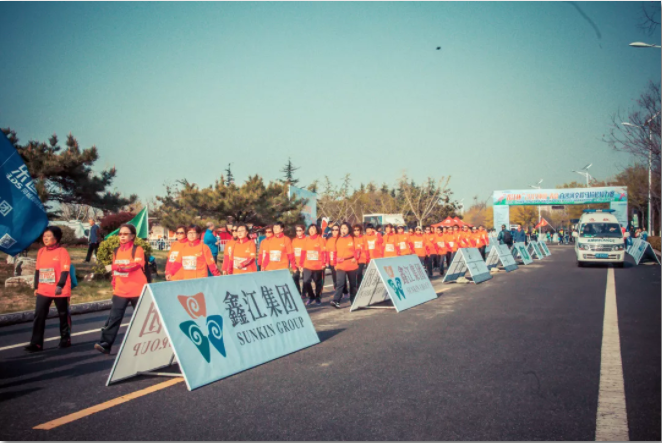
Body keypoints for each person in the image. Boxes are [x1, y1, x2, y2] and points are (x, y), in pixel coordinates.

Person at [94, 224, 149, 354]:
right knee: (114, 318)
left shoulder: (138, 249)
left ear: (132, 236)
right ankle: (105, 344)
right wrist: (114, 281)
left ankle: (149, 344)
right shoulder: (116, 251)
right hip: (120, 290)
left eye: (125, 234)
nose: (122, 236)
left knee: (143, 318)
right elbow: (115, 270)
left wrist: (118, 267)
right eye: (120, 234)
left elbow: (136, 265)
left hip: (137, 290)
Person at [25, 227, 72, 352]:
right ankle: (36, 343)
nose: (45, 238)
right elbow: (38, 271)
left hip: (59, 289)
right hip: (44, 289)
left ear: (56, 238)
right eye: (44, 236)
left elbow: (65, 271)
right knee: (39, 315)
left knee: (63, 315)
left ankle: (65, 339)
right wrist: (36, 287)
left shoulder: (62, 252)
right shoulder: (41, 252)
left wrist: (60, 285)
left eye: (49, 236)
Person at [330, 222, 360, 308]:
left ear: (348, 229)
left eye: (345, 228)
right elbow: (334, 252)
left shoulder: (353, 238)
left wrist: (356, 258)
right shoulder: (337, 239)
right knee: (340, 283)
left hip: (351, 263)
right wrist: (335, 264)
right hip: (340, 265)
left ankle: (353, 300)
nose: (343, 230)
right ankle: (336, 301)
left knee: (353, 284)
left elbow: (358, 250)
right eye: (342, 228)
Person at [300, 224, 327, 306]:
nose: (311, 230)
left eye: (313, 229)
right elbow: (303, 253)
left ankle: (318, 297)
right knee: (306, 281)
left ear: (316, 230)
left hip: (318, 265)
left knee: (318, 283)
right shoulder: (306, 240)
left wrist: (323, 263)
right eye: (310, 229)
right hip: (307, 265)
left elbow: (324, 252)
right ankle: (311, 296)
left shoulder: (321, 240)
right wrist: (301, 264)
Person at [291, 224, 307, 295]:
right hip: (296, 263)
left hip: (305, 263)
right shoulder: (294, 240)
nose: (298, 232)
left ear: (303, 231)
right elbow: (292, 252)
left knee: (305, 279)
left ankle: (304, 292)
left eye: (300, 230)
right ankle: (298, 292)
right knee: (295, 277)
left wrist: (302, 265)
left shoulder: (307, 240)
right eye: (297, 231)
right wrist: (293, 263)